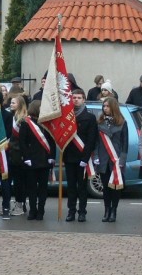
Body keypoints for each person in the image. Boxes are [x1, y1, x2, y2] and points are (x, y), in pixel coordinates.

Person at [62, 88, 98, 222]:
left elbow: (91, 140)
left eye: (78, 98)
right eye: (74, 98)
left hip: (83, 157)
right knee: (71, 186)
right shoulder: (67, 116)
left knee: (82, 187)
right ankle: (71, 211)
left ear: (83, 100)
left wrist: (85, 158)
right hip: (70, 157)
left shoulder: (90, 117)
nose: (76, 100)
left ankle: (82, 211)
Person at [19, 100, 55, 220]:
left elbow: (51, 141)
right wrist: (26, 157)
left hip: (44, 160)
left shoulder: (46, 122)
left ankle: (41, 211)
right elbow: (22, 142)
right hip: (31, 160)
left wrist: (52, 157)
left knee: (43, 188)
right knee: (32, 188)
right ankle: (32, 210)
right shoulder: (26, 123)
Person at [95, 96, 128, 223]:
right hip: (103, 159)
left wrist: (122, 160)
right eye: (104, 106)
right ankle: (106, 210)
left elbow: (125, 143)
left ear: (113, 107)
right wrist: (96, 156)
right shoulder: (100, 122)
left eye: (107, 106)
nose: (105, 108)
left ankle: (114, 211)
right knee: (106, 188)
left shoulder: (122, 122)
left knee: (115, 188)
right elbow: (97, 143)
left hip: (116, 159)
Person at [6, 95, 29, 216]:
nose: (11, 104)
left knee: (20, 182)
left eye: (13, 103)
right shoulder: (10, 117)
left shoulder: (24, 120)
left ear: (20, 104)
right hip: (9, 154)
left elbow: (22, 140)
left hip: (19, 155)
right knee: (10, 182)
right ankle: (9, 205)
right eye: (11, 102)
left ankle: (20, 205)